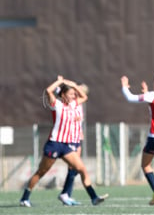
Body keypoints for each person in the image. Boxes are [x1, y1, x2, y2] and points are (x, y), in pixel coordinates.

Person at [20, 76, 108, 207]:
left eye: (74, 94)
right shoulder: (57, 105)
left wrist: (73, 84)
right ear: (63, 94)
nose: (74, 96)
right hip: (54, 144)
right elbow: (49, 91)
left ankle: (94, 197)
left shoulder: (73, 104)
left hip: (66, 146)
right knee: (41, 172)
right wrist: (60, 82)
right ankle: (24, 198)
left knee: (81, 169)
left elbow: (85, 97)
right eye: (71, 93)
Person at [121, 72, 154, 206]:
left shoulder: (153, 95)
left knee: (145, 165)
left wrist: (124, 86)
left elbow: (130, 98)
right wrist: (147, 93)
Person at [57, 84, 89, 206]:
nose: (76, 92)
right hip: (69, 138)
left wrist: (79, 130)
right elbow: (58, 94)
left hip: (76, 138)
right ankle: (65, 194)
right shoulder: (69, 104)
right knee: (74, 167)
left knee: (75, 168)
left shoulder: (78, 105)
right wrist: (60, 84)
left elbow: (78, 120)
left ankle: (66, 194)